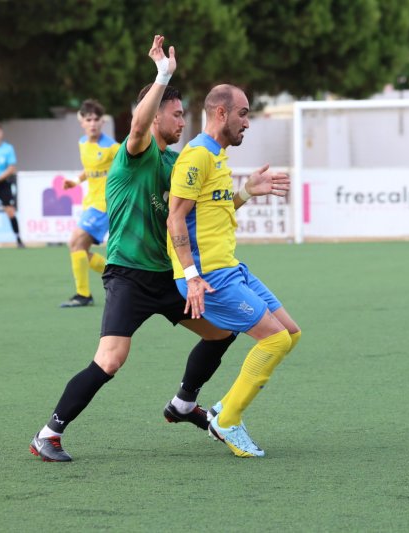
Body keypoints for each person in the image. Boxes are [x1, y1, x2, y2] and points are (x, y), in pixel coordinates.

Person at [29, 36, 286, 462]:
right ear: (153, 114)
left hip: (171, 275)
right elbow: (136, 128)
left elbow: (196, 215)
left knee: (222, 331)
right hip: (129, 275)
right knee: (111, 360)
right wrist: (162, 76)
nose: (183, 121)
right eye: (176, 113)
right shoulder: (135, 153)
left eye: (185, 114)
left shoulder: (175, 163)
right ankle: (48, 434)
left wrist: (243, 195)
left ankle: (184, 403)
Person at [167, 84, 301, 458]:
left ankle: (221, 412)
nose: (248, 122)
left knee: (290, 333)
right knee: (273, 340)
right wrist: (192, 276)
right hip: (208, 277)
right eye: (243, 113)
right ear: (221, 113)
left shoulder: (218, 155)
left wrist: (246, 193)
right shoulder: (196, 157)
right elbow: (175, 220)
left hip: (230, 268)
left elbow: (211, 215)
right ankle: (226, 421)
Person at [58, 100, 120, 308]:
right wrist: (76, 181)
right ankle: (119, 277)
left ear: (102, 121)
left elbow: (128, 167)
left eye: (96, 119)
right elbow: (90, 171)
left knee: (74, 242)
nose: (92, 123)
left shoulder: (112, 147)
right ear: (82, 122)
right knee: (81, 249)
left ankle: (83, 294)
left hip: (104, 204)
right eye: (88, 119)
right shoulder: (83, 143)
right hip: (90, 202)